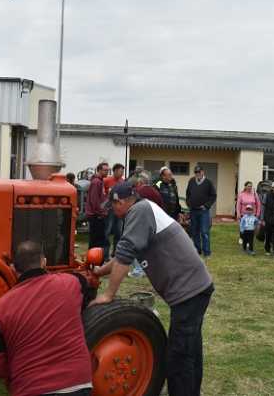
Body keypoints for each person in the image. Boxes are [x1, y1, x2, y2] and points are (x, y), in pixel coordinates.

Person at [91, 182, 214, 396]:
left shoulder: (139, 211)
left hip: (189, 292)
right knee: (190, 349)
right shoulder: (143, 210)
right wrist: (99, 272)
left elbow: (125, 254)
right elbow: (122, 253)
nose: (113, 211)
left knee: (178, 356)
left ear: (120, 202)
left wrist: (108, 295)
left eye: (112, 206)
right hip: (195, 288)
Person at [0, 240, 92, 396]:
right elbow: (86, 283)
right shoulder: (70, 283)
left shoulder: (0, 308)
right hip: (78, 385)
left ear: (12, 268)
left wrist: (15, 369)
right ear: (44, 262)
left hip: (30, 388)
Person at [186, 165, 216, 258]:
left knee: (204, 232)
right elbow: (188, 193)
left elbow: (213, 196)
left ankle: (207, 252)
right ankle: (197, 251)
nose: (197, 174)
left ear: (203, 172)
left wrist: (206, 206)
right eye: (196, 172)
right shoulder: (191, 181)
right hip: (193, 210)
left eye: (199, 172)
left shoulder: (208, 182)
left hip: (203, 211)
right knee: (194, 232)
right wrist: (189, 203)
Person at [86, 162, 110, 260]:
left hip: (97, 214)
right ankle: (94, 260)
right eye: (105, 170)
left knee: (96, 240)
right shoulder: (97, 182)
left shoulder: (100, 181)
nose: (107, 172)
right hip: (96, 215)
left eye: (108, 170)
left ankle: (93, 259)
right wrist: (100, 212)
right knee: (97, 240)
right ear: (99, 170)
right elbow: (94, 200)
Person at [104, 163, 126, 253]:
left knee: (119, 232)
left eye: (123, 172)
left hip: (119, 211)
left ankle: (115, 254)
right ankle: (105, 254)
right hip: (109, 210)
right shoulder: (106, 180)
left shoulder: (123, 181)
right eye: (121, 171)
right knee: (107, 232)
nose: (122, 174)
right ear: (115, 171)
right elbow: (102, 195)